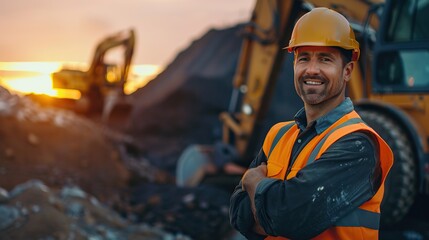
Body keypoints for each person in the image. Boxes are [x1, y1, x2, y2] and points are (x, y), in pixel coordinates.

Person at [229, 7, 394, 240]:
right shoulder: (277, 135)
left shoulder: (358, 145)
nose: (312, 70)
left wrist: (253, 180)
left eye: (325, 59)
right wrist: (273, 208)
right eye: (303, 58)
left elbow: (289, 219)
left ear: (347, 70)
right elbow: (238, 214)